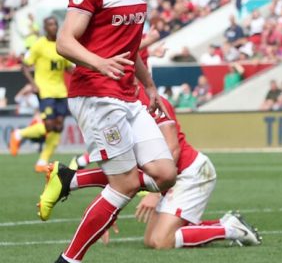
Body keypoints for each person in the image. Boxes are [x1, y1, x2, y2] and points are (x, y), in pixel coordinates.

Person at [48, 0, 177, 263]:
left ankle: (70, 177)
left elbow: (131, 46)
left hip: (128, 93)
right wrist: (98, 63)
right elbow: (64, 42)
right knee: (124, 184)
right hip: (95, 93)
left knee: (165, 173)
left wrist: (150, 85)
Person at [38, 91, 261, 249]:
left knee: (161, 241)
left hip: (189, 173)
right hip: (164, 178)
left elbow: (172, 148)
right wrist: (106, 210)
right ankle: (221, 224)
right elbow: (120, 171)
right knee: (151, 240)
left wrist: (155, 194)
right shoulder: (116, 103)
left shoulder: (150, 100)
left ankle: (230, 229)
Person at [8, 16, 74, 172]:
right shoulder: (39, 45)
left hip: (61, 91)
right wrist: (33, 85)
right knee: (49, 125)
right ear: (45, 28)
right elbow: (24, 66)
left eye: (55, 24)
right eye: (50, 24)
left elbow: (68, 67)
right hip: (45, 90)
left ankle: (42, 162)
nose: (53, 27)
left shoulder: (62, 44)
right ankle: (19, 134)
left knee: (58, 127)